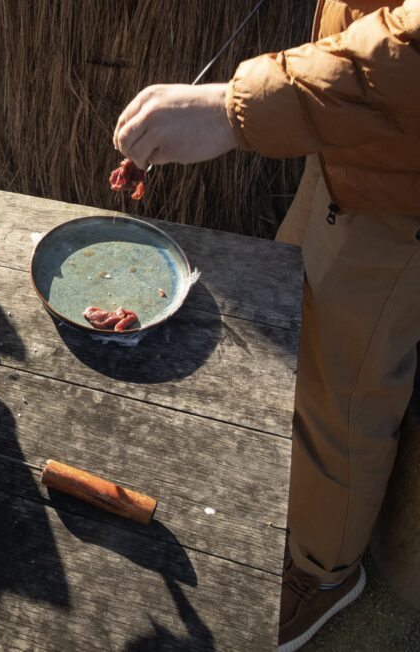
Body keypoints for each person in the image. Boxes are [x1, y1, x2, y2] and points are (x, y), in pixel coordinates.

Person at [112, 2, 419, 650]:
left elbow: (409, 46)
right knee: (290, 331)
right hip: (347, 148)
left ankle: (326, 572)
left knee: (343, 393)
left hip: (400, 193)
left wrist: (234, 108)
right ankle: (293, 501)